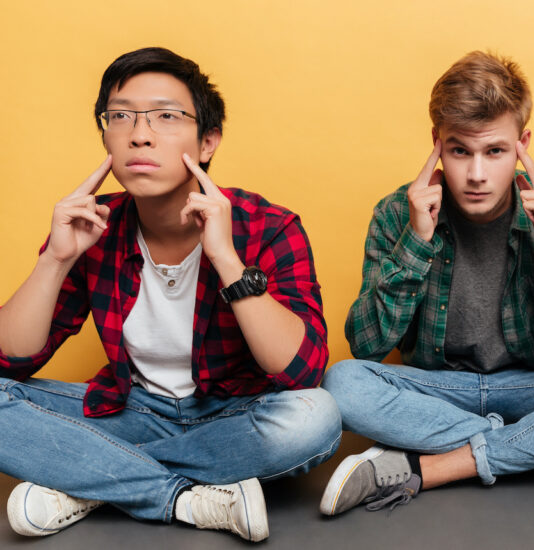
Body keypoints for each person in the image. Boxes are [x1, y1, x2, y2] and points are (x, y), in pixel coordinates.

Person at [0, 47, 340, 541]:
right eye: (121, 116)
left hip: (233, 417)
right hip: (129, 412)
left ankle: (88, 480)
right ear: (106, 134)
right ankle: (182, 499)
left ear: (207, 142)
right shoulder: (94, 226)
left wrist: (226, 258)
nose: (140, 134)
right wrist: (55, 258)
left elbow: (302, 370)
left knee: (317, 418)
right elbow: (10, 359)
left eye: (166, 116)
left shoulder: (267, 226)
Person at [319, 51, 534, 516]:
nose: (476, 174)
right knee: (342, 383)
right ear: (436, 143)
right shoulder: (400, 212)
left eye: (495, 151)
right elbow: (366, 345)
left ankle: (435, 465)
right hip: (437, 389)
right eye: (460, 150)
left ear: (523, 144)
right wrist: (417, 239)